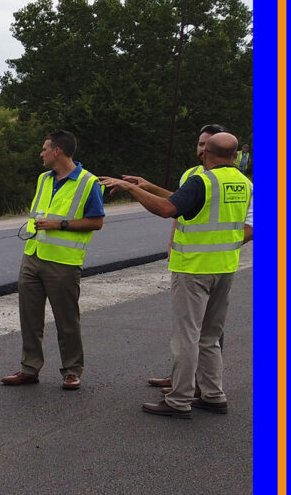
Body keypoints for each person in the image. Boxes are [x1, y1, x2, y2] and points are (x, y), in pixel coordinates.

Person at [101, 131, 253, 417]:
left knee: (187, 337)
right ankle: (213, 394)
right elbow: (189, 203)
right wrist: (149, 186)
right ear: (235, 156)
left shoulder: (202, 181)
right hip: (225, 267)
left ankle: (179, 399)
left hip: (193, 268)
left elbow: (168, 209)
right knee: (210, 335)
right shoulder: (244, 184)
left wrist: (132, 189)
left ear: (205, 152)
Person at [0, 131, 105, 391]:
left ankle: (71, 371)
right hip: (33, 255)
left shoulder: (88, 182)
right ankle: (29, 368)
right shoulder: (43, 179)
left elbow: (96, 221)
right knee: (29, 317)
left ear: (57, 151)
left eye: (45, 149)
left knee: (66, 320)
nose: (41, 153)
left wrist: (59, 224)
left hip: (63, 263)